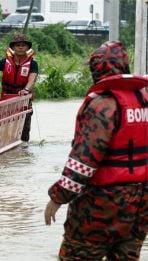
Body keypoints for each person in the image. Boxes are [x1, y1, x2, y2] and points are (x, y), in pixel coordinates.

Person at [44, 41, 147, 260]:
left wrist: (57, 197)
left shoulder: (103, 104)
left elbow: (84, 161)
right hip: (140, 203)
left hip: (102, 204)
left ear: (96, 70)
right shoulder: (144, 100)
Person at [0, 33, 38, 142]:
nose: (20, 47)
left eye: (23, 45)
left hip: (24, 101)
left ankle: (23, 152)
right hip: (6, 102)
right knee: (3, 129)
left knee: (24, 133)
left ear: (27, 48)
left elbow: (32, 79)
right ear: (13, 47)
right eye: (18, 45)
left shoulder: (33, 63)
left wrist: (26, 90)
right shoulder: (4, 62)